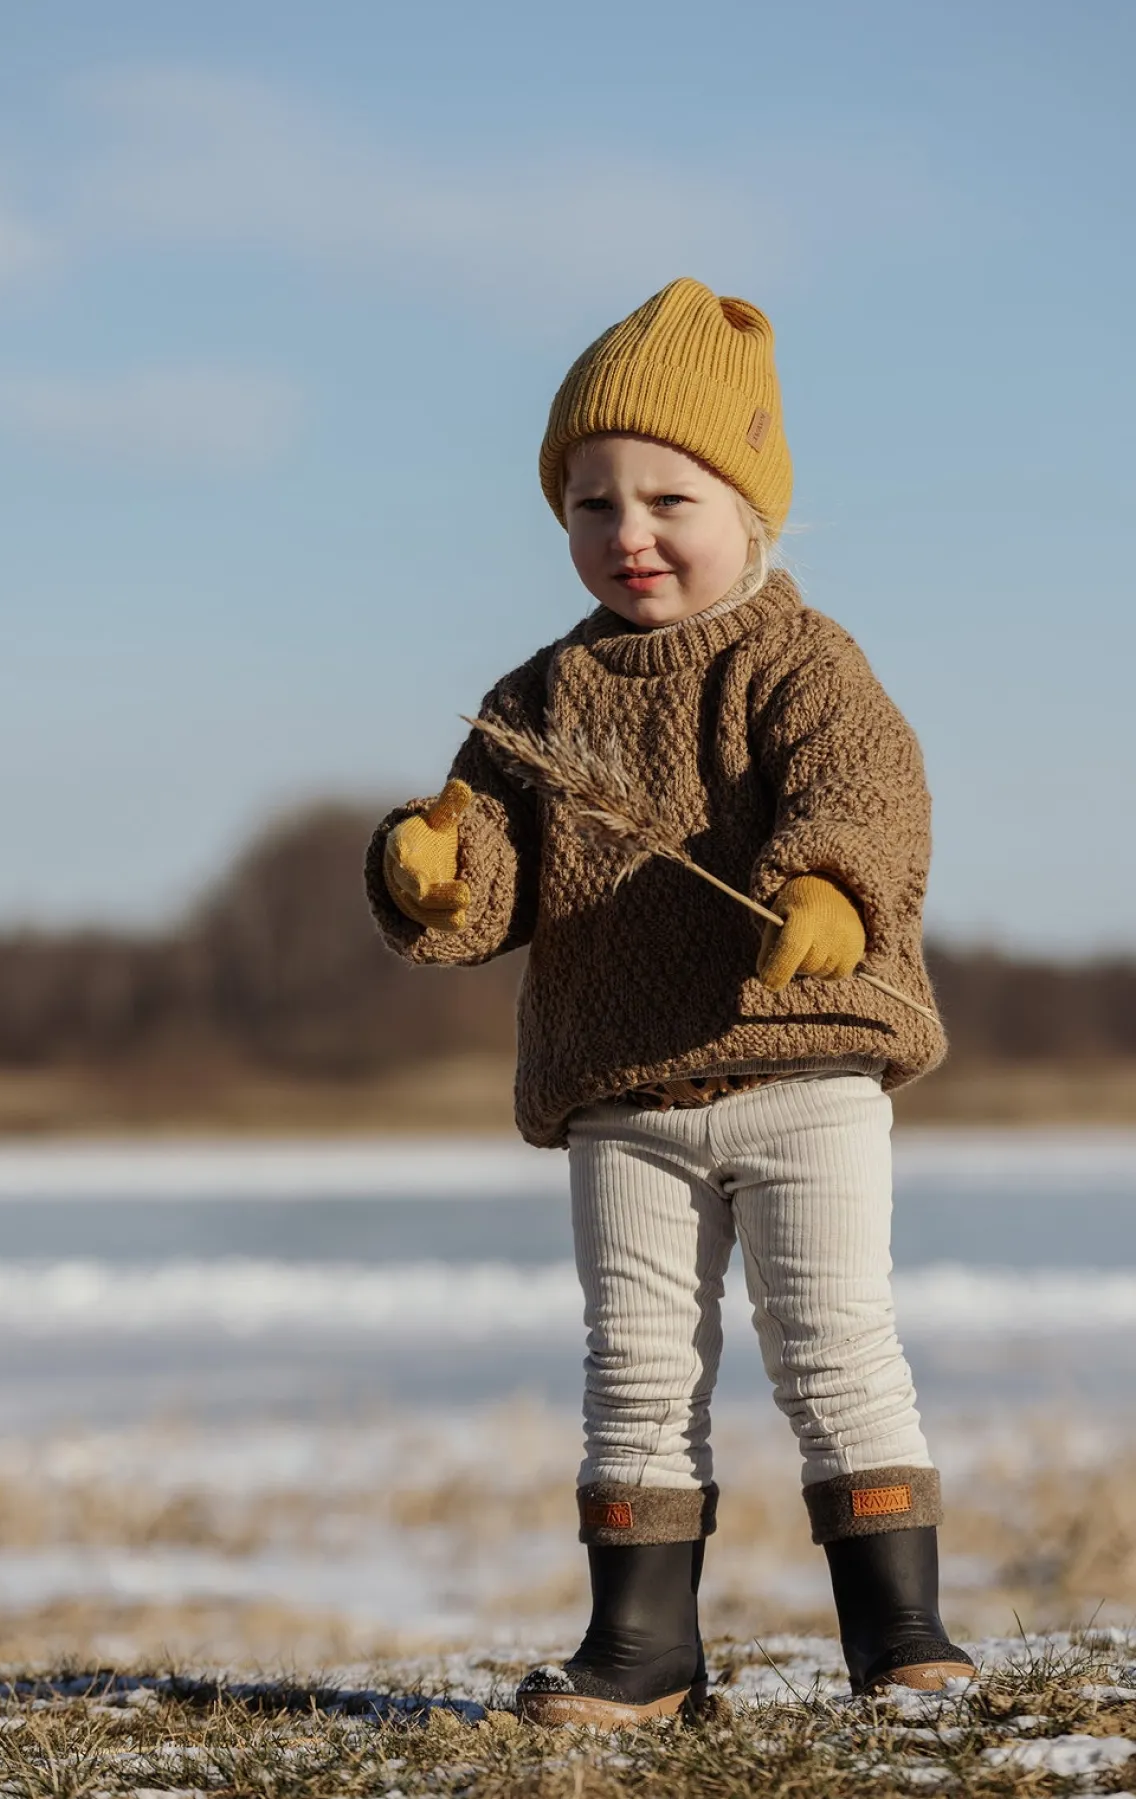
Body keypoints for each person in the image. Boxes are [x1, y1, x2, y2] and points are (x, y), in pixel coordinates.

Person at [364, 277, 973, 1725]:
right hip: (623, 1090)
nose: (627, 533)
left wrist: (830, 886)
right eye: (591, 503)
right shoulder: (540, 695)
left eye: (667, 498)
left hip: (801, 1072)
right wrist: (433, 876)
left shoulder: (796, 659)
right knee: (634, 1365)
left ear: (749, 506)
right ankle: (643, 1647)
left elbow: (869, 787)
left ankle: (901, 1633)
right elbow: (496, 859)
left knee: (833, 1343)